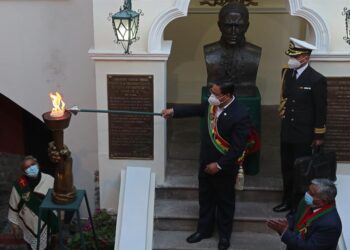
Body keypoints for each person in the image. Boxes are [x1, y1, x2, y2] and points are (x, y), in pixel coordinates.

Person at [162, 80, 252, 250]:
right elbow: (196, 109)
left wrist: (218, 165)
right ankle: (204, 230)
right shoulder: (211, 106)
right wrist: (173, 111)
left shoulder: (241, 114)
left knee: (225, 203)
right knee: (205, 199)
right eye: (212, 92)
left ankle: (224, 236)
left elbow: (237, 148)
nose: (211, 97)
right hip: (205, 163)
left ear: (227, 96)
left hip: (224, 168)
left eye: (215, 94)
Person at [273, 37, 327, 213]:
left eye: (295, 57)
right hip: (287, 130)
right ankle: (286, 200)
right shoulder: (287, 74)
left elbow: (320, 109)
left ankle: (297, 206)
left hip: (304, 134)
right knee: (286, 168)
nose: (292, 60)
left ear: (305, 57)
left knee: (301, 171)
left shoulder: (317, 79)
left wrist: (318, 135)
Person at [204, 2, 261, 96]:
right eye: (228, 25)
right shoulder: (209, 52)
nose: (233, 31)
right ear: (220, 26)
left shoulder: (255, 53)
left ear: (246, 26)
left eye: (239, 26)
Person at [267, 178, 342, 250]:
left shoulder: (331, 226)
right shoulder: (307, 202)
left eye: (312, 194)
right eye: (308, 190)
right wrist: (286, 223)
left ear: (323, 201)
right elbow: (297, 217)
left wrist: (284, 232)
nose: (307, 194)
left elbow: (309, 248)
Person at [8, 155, 58, 250]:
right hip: (29, 224)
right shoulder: (19, 184)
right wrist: (15, 226)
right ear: (23, 172)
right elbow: (14, 205)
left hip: (48, 222)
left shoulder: (50, 180)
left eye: (33, 165)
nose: (31, 168)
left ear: (38, 165)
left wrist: (59, 221)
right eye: (27, 167)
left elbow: (57, 202)